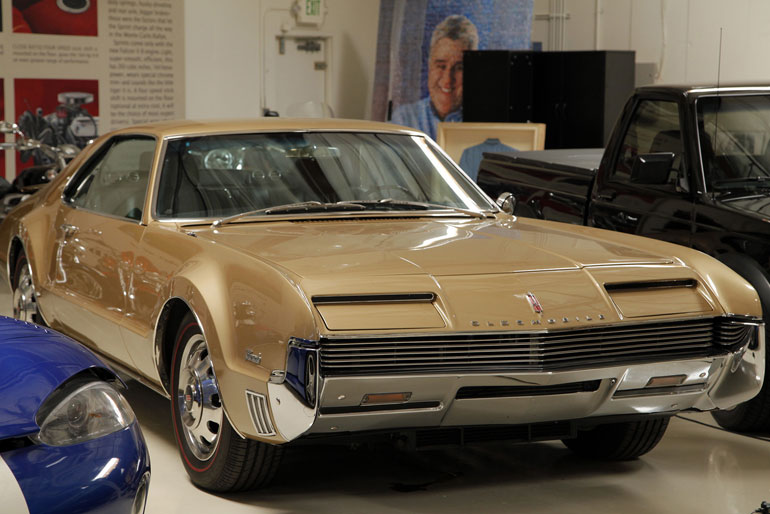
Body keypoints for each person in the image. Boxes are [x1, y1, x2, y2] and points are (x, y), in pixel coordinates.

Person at [390, 14, 479, 140]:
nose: (447, 79)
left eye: (459, 68)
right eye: (441, 66)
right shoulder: (404, 120)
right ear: (429, 66)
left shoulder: (483, 124)